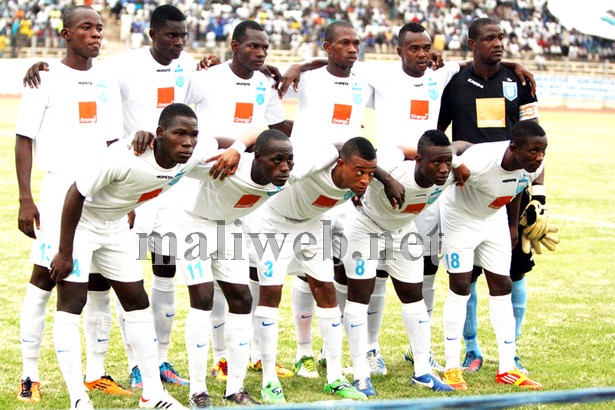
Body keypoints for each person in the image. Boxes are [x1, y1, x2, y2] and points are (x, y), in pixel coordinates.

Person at [279, 21, 534, 377]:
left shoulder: (439, 74)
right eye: (413, 48)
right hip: (381, 178)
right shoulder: (377, 75)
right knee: (348, 272)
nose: (422, 54)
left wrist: (513, 67)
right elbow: (336, 62)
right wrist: (298, 66)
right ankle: (361, 348)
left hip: (428, 185)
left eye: (425, 48)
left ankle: (421, 353)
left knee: (424, 271)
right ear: (398, 50)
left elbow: (477, 62)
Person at [48, 103, 206, 409]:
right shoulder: (125, 156)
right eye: (180, 134)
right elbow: (76, 193)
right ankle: (78, 398)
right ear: (160, 134)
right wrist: (65, 251)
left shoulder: (188, 158)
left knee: (137, 302)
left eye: (194, 135)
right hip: (80, 223)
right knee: (71, 305)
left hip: (117, 226)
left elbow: (230, 142)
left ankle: (153, 395)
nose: (188, 141)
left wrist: (238, 148)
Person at [14, 5, 127, 404]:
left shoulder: (107, 80)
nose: (96, 34)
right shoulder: (44, 77)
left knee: (99, 284)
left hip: (103, 195)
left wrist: (123, 197)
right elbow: (24, 137)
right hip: (59, 189)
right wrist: (26, 199)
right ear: (65, 34)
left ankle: (95, 372)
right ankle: (29, 374)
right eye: (86, 28)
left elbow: (115, 143)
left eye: (99, 28)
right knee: (45, 281)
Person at [249, 137, 402, 403]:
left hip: (312, 225)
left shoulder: (362, 171)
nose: (365, 180)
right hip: (273, 223)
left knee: (327, 293)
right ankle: (269, 381)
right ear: (341, 164)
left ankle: (334, 378)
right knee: (271, 294)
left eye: (370, 173)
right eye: (359, 172)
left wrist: (386, 178)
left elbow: (391, 153)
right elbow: (275, 166)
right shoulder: (314, 160)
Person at [184, 19, 294, 382]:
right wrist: (225, 148)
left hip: (249, 184)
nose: (261, 53)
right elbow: (180, 119)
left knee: (240, 283)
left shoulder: (265, 84)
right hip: (211, 177)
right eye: (253, 47)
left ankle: (245, 359)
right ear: (234, 46)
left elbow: (274, 129)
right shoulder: (205, 77)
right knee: (206, 288)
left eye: (265, 47)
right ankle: (218, 358)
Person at [438, 17, 542, 375]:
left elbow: (536, 139)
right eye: (489, 38)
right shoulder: (453, 84)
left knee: (514, 271)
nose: (498, 43)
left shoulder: (521, 81)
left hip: (511, 189)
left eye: (502, 37)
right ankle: (470, 349)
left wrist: (538, 195)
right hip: (467, 184)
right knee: (464, 279)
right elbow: (439, 136)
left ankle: (511, 356)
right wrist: (451, 164)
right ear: (471, 43)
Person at [277, 21, 376, 381]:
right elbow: (269, 80)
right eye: (344, 43)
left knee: (340, 271)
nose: (352, 49)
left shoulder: (365, 83)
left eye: (357, 43)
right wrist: (299, 66)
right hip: (307, 184)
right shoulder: (309, 78)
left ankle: (333, 350)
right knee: (305, 273)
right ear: (327, 46)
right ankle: (303, 352)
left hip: (347, 187)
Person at [172, 129, 295, 407]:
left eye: (289, 160)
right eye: (277, 161)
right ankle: (198, 391)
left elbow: (337, 150)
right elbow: (186, 151)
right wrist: (237, 147)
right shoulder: (225, 165)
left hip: (231, 230)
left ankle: (235, 389)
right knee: (202, 299)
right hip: (194, 226)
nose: (285, 167)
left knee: (242, 300)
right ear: (258, 158)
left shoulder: (285, 175)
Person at [341, 130, 466, 395]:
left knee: (414, 297)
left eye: (447, 162)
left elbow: (467, 146)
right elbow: (371, 158)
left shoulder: (448, 173)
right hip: (366, 227)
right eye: (436, 163)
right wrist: (385, 179)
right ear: (419, 160)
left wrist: (458, 162)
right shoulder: (395, 169)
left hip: (402, 231)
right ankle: (361, 375)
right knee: (359, 297)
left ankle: (422, 371)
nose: (443, 169)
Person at [439, 120, 546, 391]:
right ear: (514, 148)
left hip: (494, 219)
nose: (540, 157)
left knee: (503, 285)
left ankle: (507, 368)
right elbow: (452, 151)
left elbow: (520, 186)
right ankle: (452, 368)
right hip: (459, 219)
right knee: (460, 286)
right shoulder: (481, 160)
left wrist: (512, 225)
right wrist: (453, 163)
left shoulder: (534, 166)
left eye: (543, 151)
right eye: (534, 151)